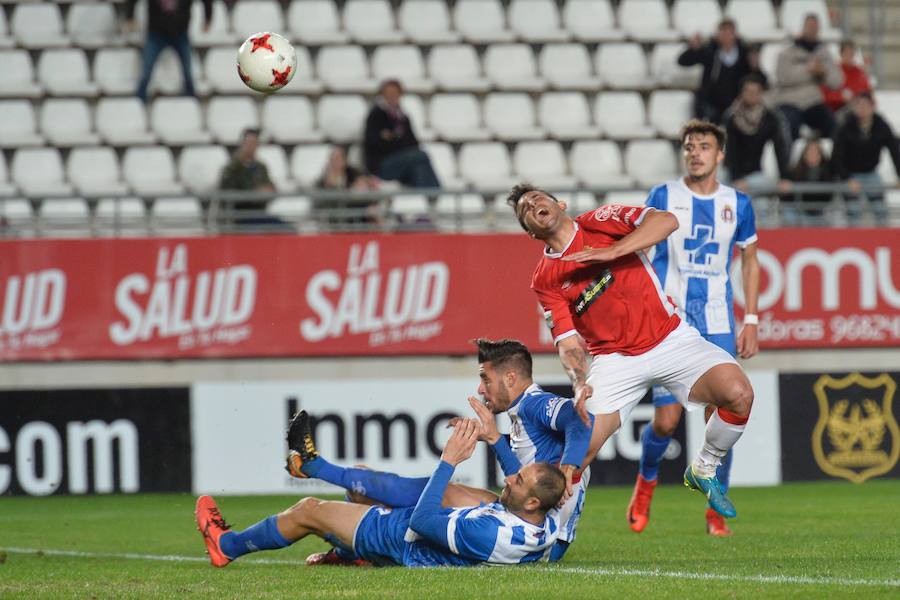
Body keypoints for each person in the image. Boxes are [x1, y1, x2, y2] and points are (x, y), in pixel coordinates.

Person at [507, 181, 755, 519]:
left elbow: (667, 221)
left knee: (738, 393)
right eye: (524, 210)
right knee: (577, 454)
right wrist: (580, 384)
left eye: (537, 198)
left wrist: (612, 251)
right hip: (615, 361)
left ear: (560, 204)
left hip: (670, 338)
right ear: (531, 233)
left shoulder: (601, 220)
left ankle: (704, 467)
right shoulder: (546, 278)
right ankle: (544, 534)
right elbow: (567, 341)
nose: (532, 205)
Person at [286, 337, 594, 563]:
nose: (480, 388)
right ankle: (348, 545)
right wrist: (494, 438)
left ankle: (315, 469)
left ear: (510, 378)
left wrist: (569, 465)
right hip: (540, 534)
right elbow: (518, 477)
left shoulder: (534, 404)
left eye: (485, 379)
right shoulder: (520, 413)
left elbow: (580, 420)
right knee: (391, 493)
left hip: (538, 539)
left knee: (440, 495)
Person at [628, 119, 760, 537]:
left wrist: (752, 318)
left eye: (704, 146)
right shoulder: (664, 195)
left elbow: (750, 259)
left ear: (719, 154)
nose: (695, 153)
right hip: (670, 321)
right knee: (665, 423)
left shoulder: (737, 202)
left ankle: (714, 512)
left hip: (719, 320)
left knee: (723, 415)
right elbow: (640, 247)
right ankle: (647, 480)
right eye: (689, 146)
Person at [195, 419, 566, 568]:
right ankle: (344, 549)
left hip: (401, 539)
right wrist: (495, 440)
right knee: (363, 482)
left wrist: (449, 460)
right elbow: (539, 496)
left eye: (518, 481)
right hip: (427, 534)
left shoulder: (487, 533)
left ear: (532, 502)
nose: (510, 477)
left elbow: (421, 520)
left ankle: (226, 547)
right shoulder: (544, 524)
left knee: (308, 510)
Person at [124, 0, 211, 104]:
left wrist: (208, 18)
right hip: (155, 34)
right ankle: (138, 103)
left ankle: (191, 103)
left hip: (180, 34)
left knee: (188, 73)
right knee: (146, 72)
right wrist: (129, 16)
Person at [831, 92, 900, 223]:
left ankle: (882, 241)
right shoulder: (845, 126)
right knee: (853, 212)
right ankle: (852, 241)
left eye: (866, 105)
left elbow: (895, 151)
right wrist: (847, 178)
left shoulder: (881, 125)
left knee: (881, 210)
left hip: (871, 173)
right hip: (850, 175)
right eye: (859, 105)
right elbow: (836, 156)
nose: (862, 109)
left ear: (873, 107)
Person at [773, 13, 842, 142]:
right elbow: (783, 77)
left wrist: (823, 73)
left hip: (813, 102)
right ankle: (787, 162)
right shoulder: (788, 51)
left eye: (815, 27)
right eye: (810, 26)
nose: (813, 30)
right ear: (803, 27)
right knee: (788, 129)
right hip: (788, 101)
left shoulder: (823, 52)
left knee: (835, 128)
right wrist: (809, 71)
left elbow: (837, 81)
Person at [364, 79, 440, 189]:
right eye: (388, 93)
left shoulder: (403, 117)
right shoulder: (376, 115)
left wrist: (393, 139)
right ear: (382, 95)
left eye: (395, 93)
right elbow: (377, 143)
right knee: (421, 156)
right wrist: (398, 142)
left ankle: (428, 200)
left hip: (402, 164)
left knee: (419, 168)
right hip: (382, 166)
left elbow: (413, 143)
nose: (392, 96)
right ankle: (438, 194)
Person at [678, 19, 755, 124]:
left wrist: (755, 66)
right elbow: (683, 62)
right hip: (712, 102)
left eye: (730, 33)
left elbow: (756, 77)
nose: (726, 37)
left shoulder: (744, 53)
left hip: (737, 102)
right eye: (723, 32)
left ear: (735, 34)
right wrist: (692, 49)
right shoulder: (710, 51)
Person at [723, 75, 792, 192]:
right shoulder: (731, 117)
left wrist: (784, 177)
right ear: (741, 92)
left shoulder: (770, 118)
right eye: (748, 91)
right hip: (730, 173)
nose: (752, 94)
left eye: (756, 91)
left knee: (762, 197)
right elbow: (730, 149)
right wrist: (736, 177)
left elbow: (780, 147)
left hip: (756, 173)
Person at [218, 128, 285, 229]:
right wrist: (254, 193)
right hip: (240, 216)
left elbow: (269, 187)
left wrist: (269, 191)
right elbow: (227, 193)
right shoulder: (232, 168)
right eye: (248, 143)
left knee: (286, 229)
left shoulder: (261, 167)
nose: (251, 146)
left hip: (259, 213)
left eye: (254, 143)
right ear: (242, 144)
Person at [315, 146, 382, 228]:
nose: (335, 162)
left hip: (353, 207)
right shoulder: (324, 178)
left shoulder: (353, 173)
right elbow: (321, 199)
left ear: (344, 161)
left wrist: (364, 185)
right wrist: (331, 186)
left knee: (371, 209)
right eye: (333, 159)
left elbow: (366, 187)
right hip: (334, 211)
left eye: (338, 159)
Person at [788, 137, 835, 221]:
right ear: (804, 155)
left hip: (821, 211)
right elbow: (788, 196)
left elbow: (829, 196)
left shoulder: (828, 173)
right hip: (800, 210)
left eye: (816, 152)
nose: (813, 155)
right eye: (810, 152)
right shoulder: (795, 172)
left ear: (821, 155)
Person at [823, 40, 872, 113]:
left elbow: (869, 95)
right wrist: (841, 97)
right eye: (846, 53)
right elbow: (825, 95)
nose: (849, 56)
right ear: (841, 54)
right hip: (838, 110)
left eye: (851, 54)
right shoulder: (833, 72)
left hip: (858, 110)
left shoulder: (859, 73)